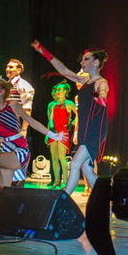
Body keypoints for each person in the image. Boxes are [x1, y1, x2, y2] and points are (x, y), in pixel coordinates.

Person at [32, 40, 108, 196]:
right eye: (82, 59)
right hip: (85, 130)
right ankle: (105, 199)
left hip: (94, 131)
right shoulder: (84, 81)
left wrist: (101, 97)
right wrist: (43, 51)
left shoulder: (101, 82)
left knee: (74, 164)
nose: (82, 62)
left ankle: (63, 197)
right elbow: (63, 70)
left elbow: (103, 92)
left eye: (86, 59)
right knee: (86, 168)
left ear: (96, 62)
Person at [46, 80, 76, 188]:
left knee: (61, 157)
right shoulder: (54, 105)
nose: (57, 91)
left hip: (63, 132)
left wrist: (72, 124)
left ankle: (66, 180)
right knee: (54, 158)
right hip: (54, 132)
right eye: (57, 90)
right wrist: (50, 130)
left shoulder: (69, 103)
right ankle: (57, 180)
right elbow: (51, 118)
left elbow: (78, 114)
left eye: (60, 89)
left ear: (65, 91)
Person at [5, 58, 35, 136]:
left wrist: (24, 130)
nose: (7, 69)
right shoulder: (5, 85)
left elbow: (27, 110)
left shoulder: (23, 85)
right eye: (7, 67)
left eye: (11, 67)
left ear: (18, 70)